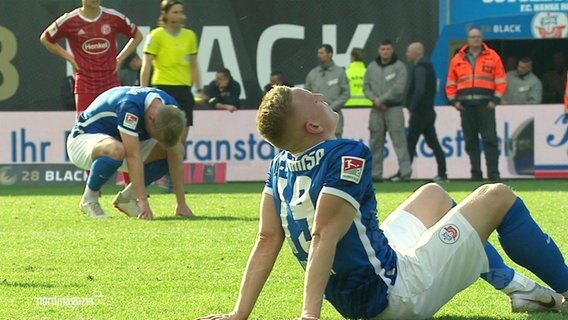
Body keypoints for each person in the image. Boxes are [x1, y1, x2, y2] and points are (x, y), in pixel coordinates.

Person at [196, 86, 567, 320]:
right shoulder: (346, 152)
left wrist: (238, 314)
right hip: (393, 294)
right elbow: (324, 233)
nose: (322, 97)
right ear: (312, 126)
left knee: (433, 195)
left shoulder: (278, 164)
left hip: (364, 283)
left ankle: (518, 289)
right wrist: (309, 315)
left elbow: (267, 239)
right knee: (497, 195)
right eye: (314, 98)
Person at [66, 86, 194, 220]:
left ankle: (126, 199)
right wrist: (143, 201)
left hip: (116, 141)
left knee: (175, 150)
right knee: (116, 149)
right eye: (157, 136)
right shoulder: (130, 108)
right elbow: (133, 156)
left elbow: (175, 152)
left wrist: (181, 203)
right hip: (82, 140)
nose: (157, 140)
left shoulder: (171, 107)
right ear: (151, 119)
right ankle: (89, 199)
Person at [140, 0, 204, 192]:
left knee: (181, 140)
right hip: (163, 89)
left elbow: (194, 65)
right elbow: (147, 64)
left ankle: (167, 175)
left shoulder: (189, 36)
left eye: (180, 12)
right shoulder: (156, 36)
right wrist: (143, 89)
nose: (179, 16)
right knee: (163, 137)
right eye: (174, 12)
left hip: (184, 90)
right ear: (165, 14)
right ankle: (157, 176)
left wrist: (198, 88)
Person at [39, 0, 143, 114]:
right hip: (85, 84)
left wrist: (120, 58)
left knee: (113, 124)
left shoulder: (113, 17)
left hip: (110, 81)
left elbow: (138, 36)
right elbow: (46, 39)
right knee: (84, 127)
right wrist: (71, 59)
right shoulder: (69, 20)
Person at [445, 27, 507, 181]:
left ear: (482, 38)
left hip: (485, 104)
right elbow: (451, 82)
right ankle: (476, 174)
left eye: (478, 37)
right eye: (473, 37)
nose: (476, 39)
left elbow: (501, 80)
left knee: (490, 140)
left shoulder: (493, 57)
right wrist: (454, 101)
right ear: (468, 39)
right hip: (465, 105)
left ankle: (493, 174)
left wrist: (495, 100)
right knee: (471, 141)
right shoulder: (457, 59)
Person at [364, 40, 411, 182]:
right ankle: (375, 174)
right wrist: (375, 99)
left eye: (388, 49)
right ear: (379, 50)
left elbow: (399, 88)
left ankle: (405, 173)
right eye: (383, 49)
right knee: (375, 142)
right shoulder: (372, 67)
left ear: (392, 50)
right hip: (376, 109)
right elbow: (366, 87)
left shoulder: (399, 67)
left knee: (399, 141)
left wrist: (382, 99)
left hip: (394, 108)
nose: (385, 52)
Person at [405, 42, 447, 182]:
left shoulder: (420, 68)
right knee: (433, 143)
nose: (407, 54)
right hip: (428, 111)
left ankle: (405, 172)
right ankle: (442, 172)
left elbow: (419, 89)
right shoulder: (428, 66)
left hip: (420, 112)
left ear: (417, 52)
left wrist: (412, 106)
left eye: (409, 51)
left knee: (411, 142)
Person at [305, 44, 349, 138]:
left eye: (321, 53)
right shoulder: (313, 74)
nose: (319, 55)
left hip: (334, 114)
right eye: (318, 53)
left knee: (336, 145)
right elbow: (306, 93)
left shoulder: (339, 72)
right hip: (316, 117)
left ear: (329, 54)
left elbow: (346, 93)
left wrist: (331, 107)